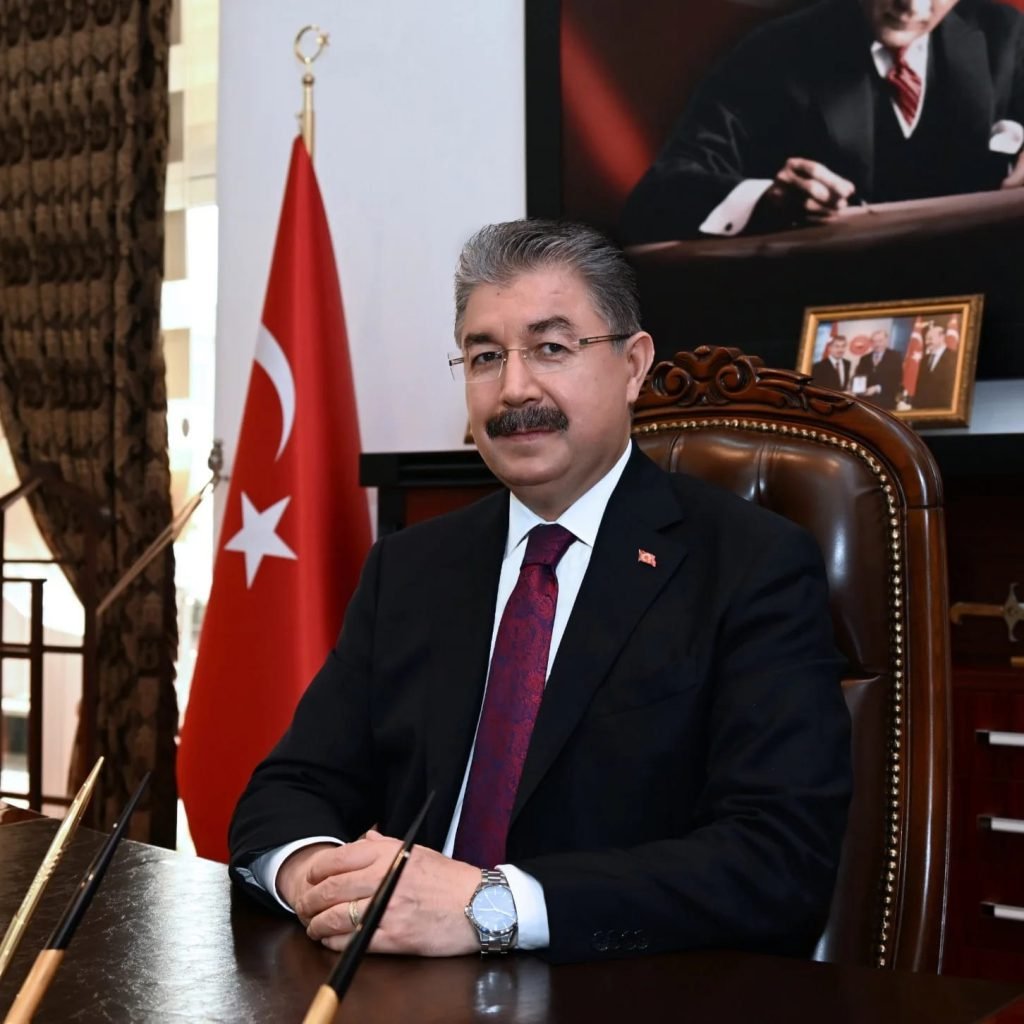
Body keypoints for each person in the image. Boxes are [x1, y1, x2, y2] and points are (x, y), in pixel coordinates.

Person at [228, 219, 852, 963]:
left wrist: (493, 907)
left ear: (632, 365)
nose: (514, 387)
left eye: (551, 348)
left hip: (613, 987)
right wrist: (316, 879)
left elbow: (778, 859)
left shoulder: (752, 565)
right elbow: (289, 789)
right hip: (392, 979)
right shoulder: (411, 567)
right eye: (485, 356)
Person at [621, 0, 1024, 242]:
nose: (913, 6)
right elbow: (656, 200)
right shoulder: (773, 53)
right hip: (820, 307)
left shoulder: (1005, 35)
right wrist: (766, 200)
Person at [857, 328, 905, 409]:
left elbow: (897, 380)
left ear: (886, 341)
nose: (877, 344)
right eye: (874, 341)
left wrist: (877, 388)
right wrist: (858, 389)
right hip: (866, 404)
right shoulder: (864, 359)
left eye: (880, 341)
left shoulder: (895, 357)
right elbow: (859, 377)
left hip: (886, 404)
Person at [912, 321, 957, 407]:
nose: (927, 342)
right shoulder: (924, 360)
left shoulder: (954, 358)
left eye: (930, 339)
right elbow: (919, 388)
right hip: (924, 409)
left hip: (944, 408)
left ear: (941, 337)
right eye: (926, 339)